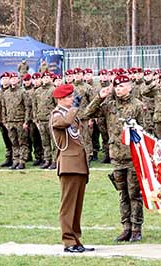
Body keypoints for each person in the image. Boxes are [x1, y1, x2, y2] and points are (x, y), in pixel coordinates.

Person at [85, 74, 144, 242]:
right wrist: (100, 96)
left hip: (133, 156)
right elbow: (87, 113)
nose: (118, 89)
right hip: (116, 156)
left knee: (134, 194)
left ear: (130, 87)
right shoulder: (109, 105)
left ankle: (136, 228)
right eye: (116, 86)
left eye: (122, 86)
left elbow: (145, 130)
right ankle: (125, 227)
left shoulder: (138, 106)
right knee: (122, 194)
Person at [50, 84, 94, 253]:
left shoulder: (71, 114)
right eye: (69, 97)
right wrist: (73, 107)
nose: (72, 99)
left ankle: (76, 240)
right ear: (61, 99)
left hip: (79, 164)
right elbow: (65, 123)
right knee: (68, 206)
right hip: (68, 165)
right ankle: (68, 241)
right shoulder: (56, 115)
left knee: (77, 206)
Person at [1, 72, 31, 169]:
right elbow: (3, 108)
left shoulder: (22, 92)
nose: (13, 80)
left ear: (18, 80)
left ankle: (22, 161)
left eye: (15, 78)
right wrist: (5, 121)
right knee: (13, 142)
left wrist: (26, 121)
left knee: (22, 142)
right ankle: (15, 160)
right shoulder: (6, 93)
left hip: (20, 121)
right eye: (11, 78)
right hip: (10, 122)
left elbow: (27, 107)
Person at [33, 71, 57, 169]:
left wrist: (55, 118)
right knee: (45, 142)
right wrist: (36, 120)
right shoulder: (37, 91)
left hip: (51, 120)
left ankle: (55, 160)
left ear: (50, 79)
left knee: (54, 142)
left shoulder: (54, 90)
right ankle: (47, 160)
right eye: (44, 77)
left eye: (48, 77)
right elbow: (35, 106)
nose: (46, 79)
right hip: (41, 120)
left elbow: (57, 105)